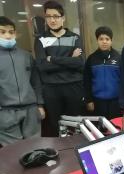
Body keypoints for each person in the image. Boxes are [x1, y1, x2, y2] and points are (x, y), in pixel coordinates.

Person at [0, 16, 45, 174]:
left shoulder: (25, 56)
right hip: (5, 112)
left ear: (16, 33)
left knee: (34, 147)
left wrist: (39, 104)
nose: (8, 36)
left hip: (30, 109)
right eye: (2, 32)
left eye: (11, 32)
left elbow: (36, 82)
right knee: (15, 151)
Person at [34, 0, 85, 136]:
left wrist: (53, 59)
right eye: (48, 16)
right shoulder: (41, 39)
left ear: (63, 18)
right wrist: (70, 59)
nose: (52, 20)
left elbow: (79, 63)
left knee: (75, 125)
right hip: (51, 89)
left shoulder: (74, 38)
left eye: (55, 16)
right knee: (56, 126)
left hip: (73, 87)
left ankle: (75, 153)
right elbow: (43, 66)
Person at [84, 26, 122, 120]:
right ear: (97, 40)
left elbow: (123, 80)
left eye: (107, 39)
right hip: (97, 102)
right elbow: (87, 81)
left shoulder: (119, 57)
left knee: (115, 128)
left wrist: (123, 100)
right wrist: (89, 100)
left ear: (111, 41)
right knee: (100, 130)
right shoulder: (91, 59)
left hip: (115, 102)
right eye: (101, 39)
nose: (104, 42)